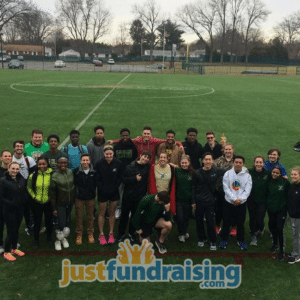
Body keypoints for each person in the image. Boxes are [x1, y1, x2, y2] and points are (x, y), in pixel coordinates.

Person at [117, 151, 152, 242]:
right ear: (140, 156)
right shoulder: (130, 167)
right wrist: (134, 179)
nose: (146, 159)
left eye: (148, 158)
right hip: (128, 196)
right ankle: (121, 233)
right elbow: (123, 179)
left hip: (139, 196)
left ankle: (131, 233)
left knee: (135, 215)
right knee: (124, 215)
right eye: (144, 156)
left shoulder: (148, 167)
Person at [220, 155, 252, 251]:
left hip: (241, 203)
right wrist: (234, 199)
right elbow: (226, 188)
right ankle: (224, 240)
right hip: (229, 202)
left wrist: (240, 200)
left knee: (240, 223)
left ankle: (241, 240)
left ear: (243, 164)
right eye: (236, 162)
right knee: (226, 222)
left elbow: (247, 190)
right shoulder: (227, 174)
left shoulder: (247, 175)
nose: (238, 164)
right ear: (233, 163)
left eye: (240, 162)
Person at [193, 153, 225, 250]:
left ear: (213, 161)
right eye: (206, 159)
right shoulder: (197, 172)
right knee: (199, 221)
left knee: (211, 222)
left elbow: (230, 171)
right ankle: (202, 238)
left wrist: (242, 169)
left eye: (209, 159)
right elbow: (193, 187)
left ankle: (213, 241)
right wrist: (193, 201)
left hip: (210, 202)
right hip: (199, 201)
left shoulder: (217, 171)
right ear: (202, 161)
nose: (207, 161)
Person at [110, 126, 183, 165]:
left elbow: (169, 140)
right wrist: (113, 141)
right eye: (145, 134)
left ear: (150, 134)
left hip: (150, 165)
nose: (146, 135)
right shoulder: (138, 140)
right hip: (139, 164)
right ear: (142, 134)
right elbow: (126, 139)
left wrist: (179, 144)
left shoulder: (154, 141)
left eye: (148, 134)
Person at [95, 146, 123, 245]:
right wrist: (103, 189)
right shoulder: (98, 164)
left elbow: (120, 178)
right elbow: (97, 179)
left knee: (112, 213)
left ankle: (111, 232)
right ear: (104, 154)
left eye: (110, 154)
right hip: (102, 192)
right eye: (107, 154)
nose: (109, 156)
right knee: (102, 213)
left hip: (114, 192)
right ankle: (101, 234)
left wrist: (114, 188)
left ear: (113, 154)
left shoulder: (118, 163)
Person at [0, 162, 27, 261]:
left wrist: (24, 200)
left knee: (16, 229)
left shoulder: (21, 179)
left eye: (17, 169)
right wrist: (12, 203)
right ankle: (6, 252)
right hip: (9, 210)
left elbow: (23, 191)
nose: (15, 171)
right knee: (11, 231)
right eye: (13, 169)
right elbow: (1, 197)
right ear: (8, 168)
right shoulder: (3, 180)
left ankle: (14, 248)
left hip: (19, 209)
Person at [27, 157, 53, 249]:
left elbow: (54, 188)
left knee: (48, 221)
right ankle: (36, 240)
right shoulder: (33, 175)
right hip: (37, 203)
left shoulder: (51, 174)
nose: (42, 166)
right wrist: (34, 196)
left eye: (44, 164)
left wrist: (51, 196)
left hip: (48, 202)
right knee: (37, 222)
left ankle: (49, 238)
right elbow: (29, 187)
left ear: (47, 164)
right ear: (37, 165)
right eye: (40, 164)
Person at [50, 157, 75, 251]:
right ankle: (57, 241)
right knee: (61, 223)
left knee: (66, 222)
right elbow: (52, 193)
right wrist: (54, 207)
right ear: (57, 164)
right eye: (61, 163)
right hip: (60, 203)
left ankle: (63, 238)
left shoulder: (70, 172)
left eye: (65, 163)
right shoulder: (54, 175)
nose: (63, 165)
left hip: (69, 202)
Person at [12, 140, 36, 235]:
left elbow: (33, 173)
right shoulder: (11, 159)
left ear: (23, 148)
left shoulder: (29, 159)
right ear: (14, 148)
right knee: (15, 210)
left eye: (21, 146)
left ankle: (29, 226)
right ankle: (14, 229)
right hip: (14, 188)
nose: (19, 148)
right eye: (17, 146)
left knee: (28, 209)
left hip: (26, 188)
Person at [113, 128, 138, 219]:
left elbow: (135, 159)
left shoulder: (133, 146)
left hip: (129, 175)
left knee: (129, 193)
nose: (125, 137)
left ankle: (130, 210)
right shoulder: (116, 147)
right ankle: (118, 209)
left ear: (129, 136)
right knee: (119, 193)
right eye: (123, 135)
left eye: (126, 135)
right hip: (119, 175)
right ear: (121, 136)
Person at [266, 166, 289, 261]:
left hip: (281, 210)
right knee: (272, 227)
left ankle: (282, 251)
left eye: (277, 173)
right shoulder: (269, 181)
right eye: (273, 172)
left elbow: (289, 195)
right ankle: (275, 244)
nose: (274, 174)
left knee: (280, 229)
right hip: (271, 209)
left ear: (280, 174)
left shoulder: (285, 182)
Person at [73, 154, 97, 245]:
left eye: (87, 160)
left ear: (90, 161)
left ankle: (90, 233)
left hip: (90, 198)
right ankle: (79, 234)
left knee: (90, 216)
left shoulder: (94, 171)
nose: (85, 162)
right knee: (79, 217)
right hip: (79, 198)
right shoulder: (76, 171)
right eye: (83, 160)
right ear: (80, 161)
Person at [248, 156, 271, 246]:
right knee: (252, 217)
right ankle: (253, 236)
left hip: (263, 200)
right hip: (251, 200)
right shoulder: (249, 172)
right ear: (254, 163)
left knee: (260, 218)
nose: (258, 164)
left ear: (263, 164)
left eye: (260, 162)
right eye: (257, 162)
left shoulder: (268, 174)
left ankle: (261, 228)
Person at [213, 143, 235, 235]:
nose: (228, 151)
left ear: (233, 150)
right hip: (220, 189)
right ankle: (217, 225)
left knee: (232, 209)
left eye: (229, 149)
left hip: (233, 190)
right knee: (219, 209)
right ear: (223, 150)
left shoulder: (236, 161)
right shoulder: (218, 161)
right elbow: (214, 172)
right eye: (226, 149)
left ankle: (233, 227)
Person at [176, 155, 194, 243]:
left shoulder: (192, 172)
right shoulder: (177, 170)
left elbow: (194, 187)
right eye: (182, 163)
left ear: (189, 163)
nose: (184, 164)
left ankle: (183, 232)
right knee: (180, 218)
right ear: (180, 163)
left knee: (186, 218)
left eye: (185, 163)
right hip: (179, 200)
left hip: (188, 200)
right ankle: (181, 234)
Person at [0, 150, 12, 255]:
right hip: (1, 202)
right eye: (5, 156)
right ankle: (0, 244)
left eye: (9, 156)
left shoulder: (12, 171)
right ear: (1, 158)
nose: (7, 157)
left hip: (10, 204)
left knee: (11, 224)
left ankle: (12, 242)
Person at [287, 167, 300, 264]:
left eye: (295, 174)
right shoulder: (292, 186)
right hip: (292, 215)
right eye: (292, 174)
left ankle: (296, 256)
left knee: (296, 236)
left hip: (297, 216)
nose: (293, 176)